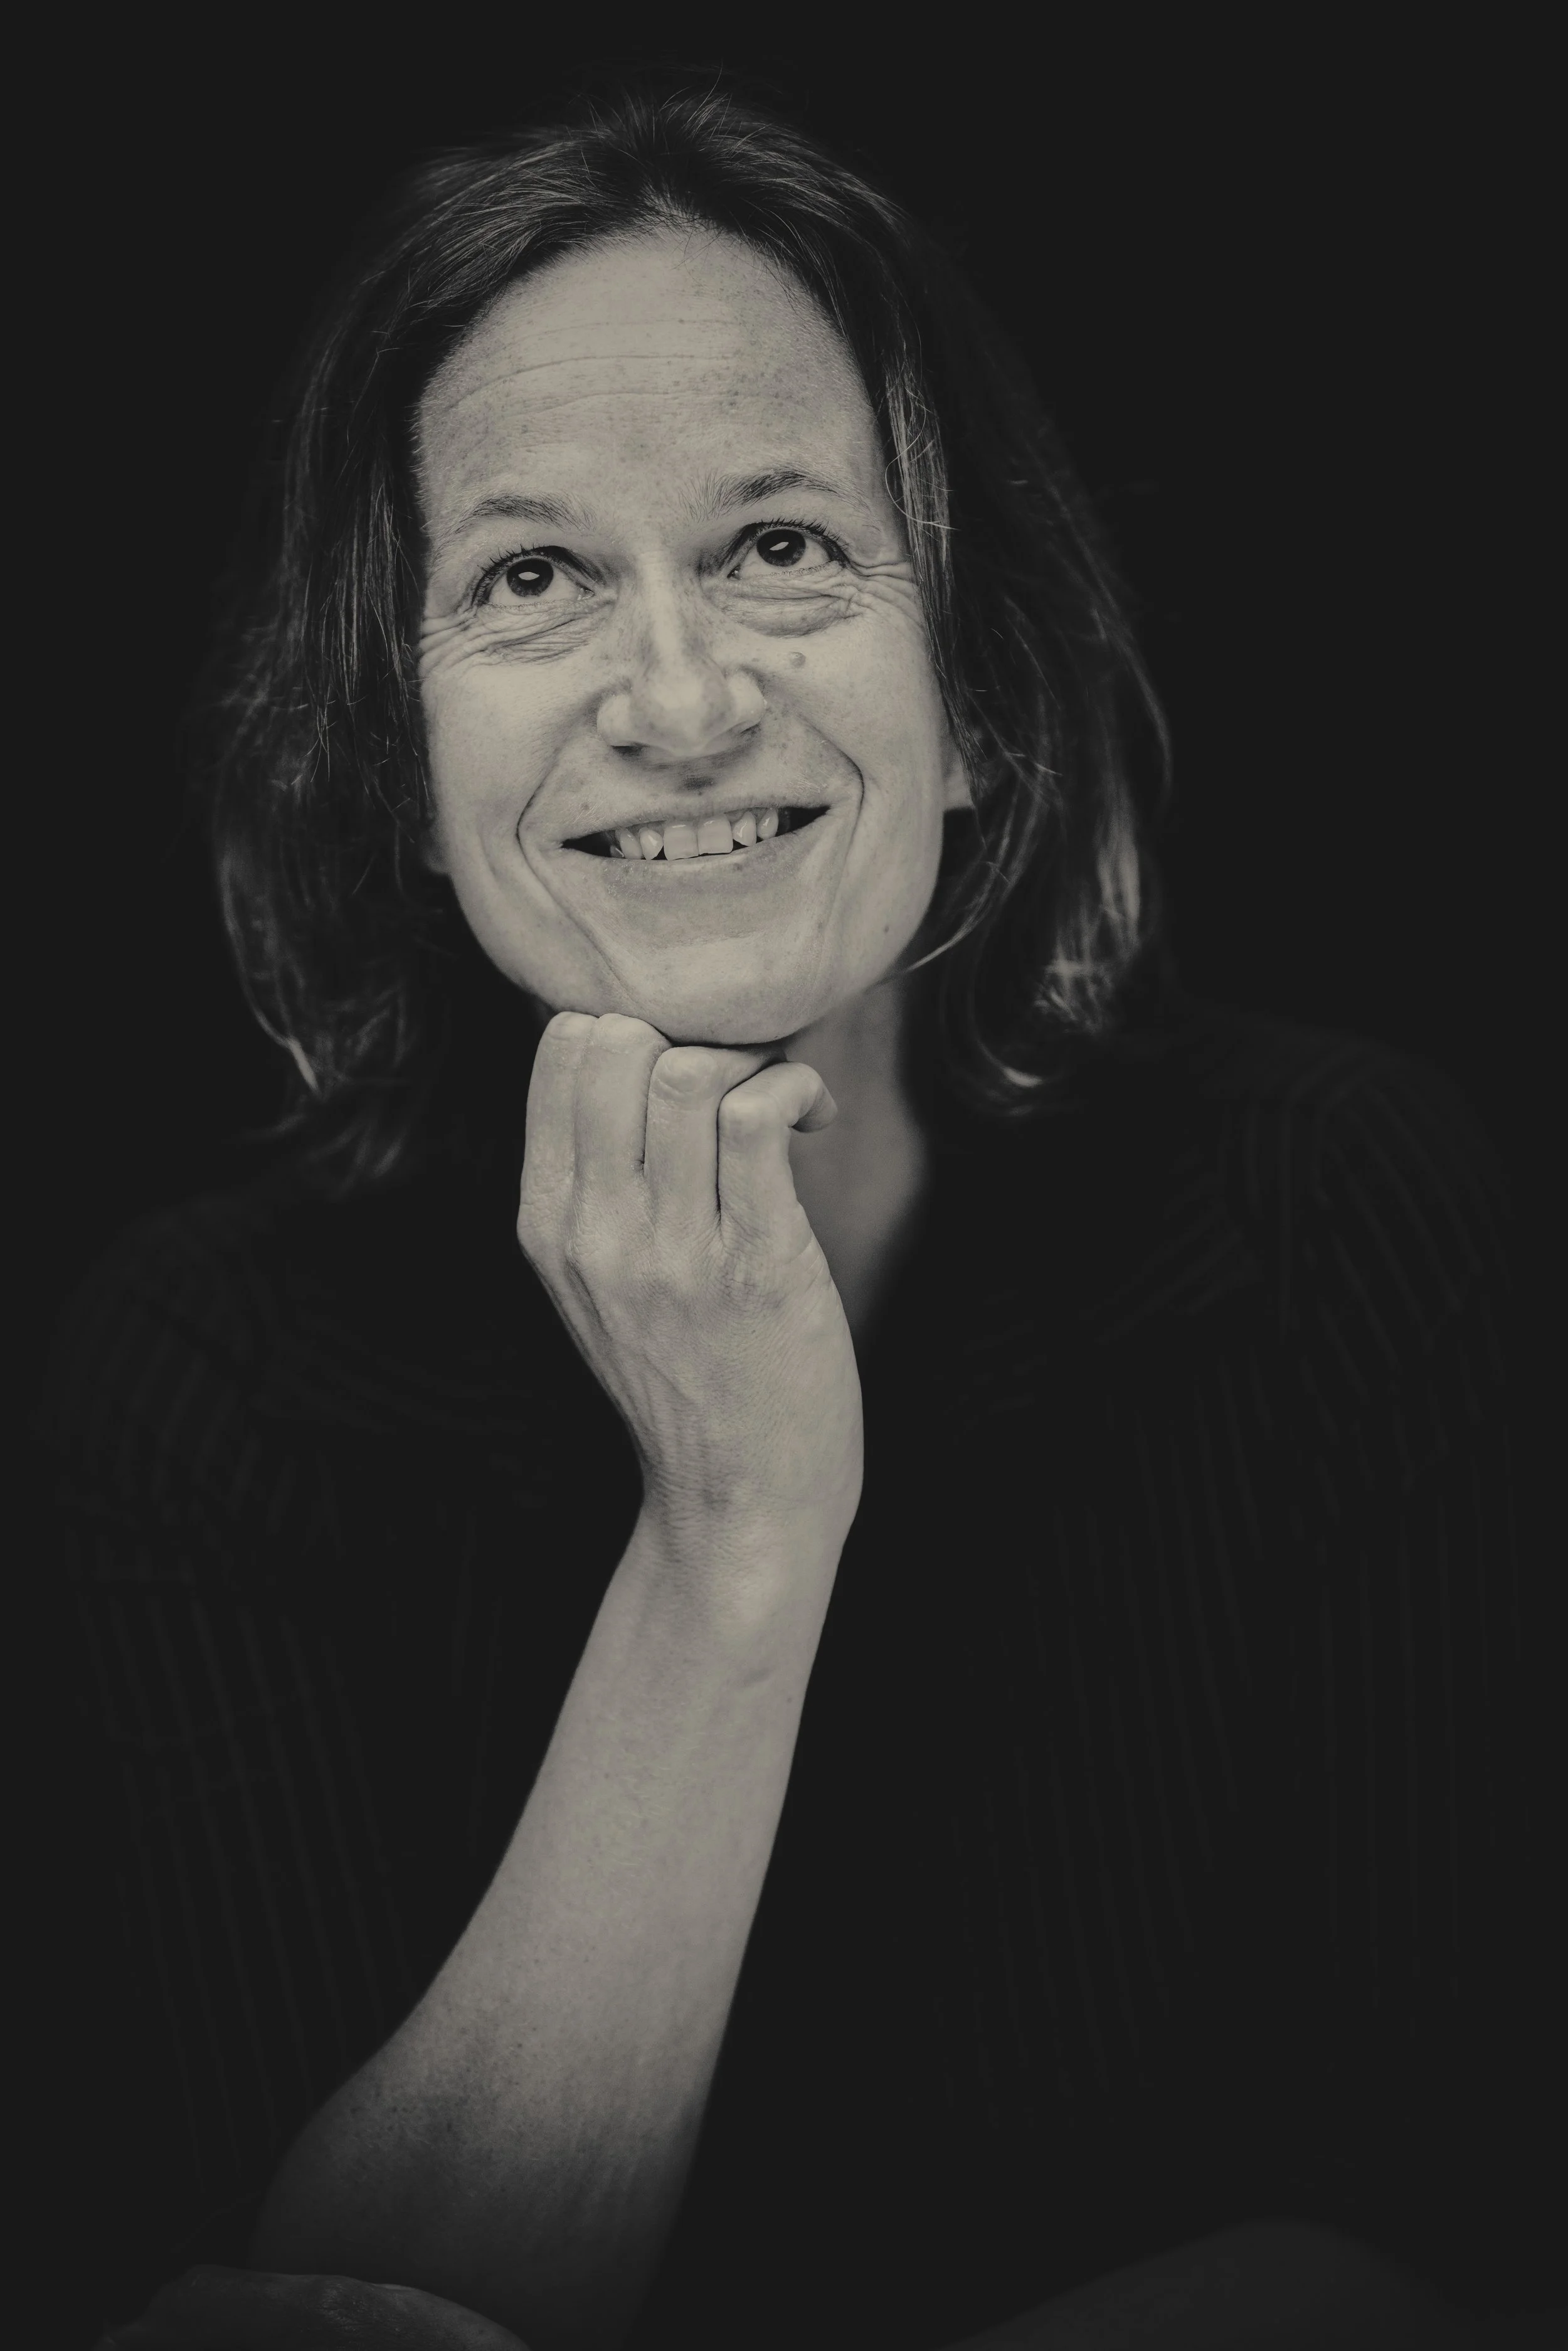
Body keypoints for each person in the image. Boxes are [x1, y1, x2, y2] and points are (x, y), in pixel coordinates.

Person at [36, 83, 1561, 2351]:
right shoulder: (202, 1376)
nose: (677, 701)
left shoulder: (1334, 1211)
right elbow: (337, 2313)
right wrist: (730, 1540)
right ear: (402, 779)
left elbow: (1450, 2222)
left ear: (980, 705)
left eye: (777, 545)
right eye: (530, 577)